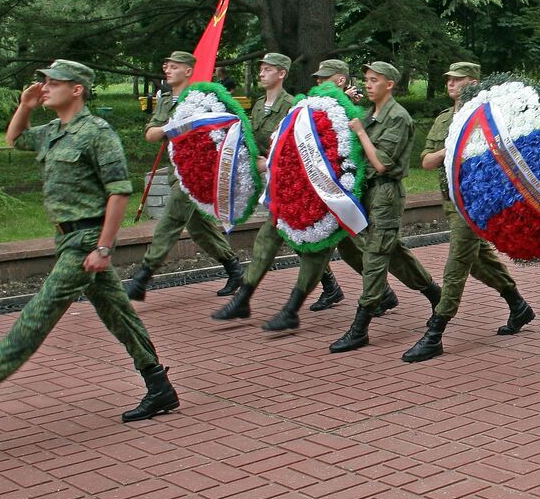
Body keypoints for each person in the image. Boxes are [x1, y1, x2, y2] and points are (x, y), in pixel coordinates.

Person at [0, 61, 177, 424]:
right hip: (67, 236)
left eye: (54, 83)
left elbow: (119, 193)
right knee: (118, 313)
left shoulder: (97, 132)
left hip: (86, 239)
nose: (45, 87)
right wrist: (25, 106)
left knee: (37, 314)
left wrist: (103, 248)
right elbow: (15, 139)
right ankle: (159, 386)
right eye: (45, 82)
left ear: (77, 89)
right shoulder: (55, 130)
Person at [401, 62, 535, 362]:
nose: (450, 84)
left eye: (458, 80)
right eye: (448, 79)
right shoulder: (445, 119)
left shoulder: (489, 119)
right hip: (452, 202)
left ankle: (435, 332)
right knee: (477, 260)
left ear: (473, 83)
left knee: (456, 266)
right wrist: (447, 151)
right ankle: (518, 305)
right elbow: (425, 162)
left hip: (477, 204)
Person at [211, 52, 344, 321]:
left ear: (281, 74)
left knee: (346, 249)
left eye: (268, 69)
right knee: (279, 238)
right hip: (276, 183)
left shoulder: (293, 105)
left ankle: (378, 289)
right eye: (260, 69)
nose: (261, 73)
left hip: (298, 184)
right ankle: (246, 299)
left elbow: (296, 146)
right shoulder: (260, 104)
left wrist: (270, 162)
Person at [324, 60, 442, 352]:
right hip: (367, 193)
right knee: (395, 253)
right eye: (366, 79)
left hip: (386, 194)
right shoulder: (367, 114)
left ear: (389, 84)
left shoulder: (397, 117)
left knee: (376, 255)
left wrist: (361, 133)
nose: (367, 83)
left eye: (374, 79)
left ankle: (360, 326)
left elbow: (381, 163)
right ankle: (436, 296)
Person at [121, 49, 244, 300]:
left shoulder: (202, 98)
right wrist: (171, 126)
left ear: (188, 71)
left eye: (174, 67)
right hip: (177, 171)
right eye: (166, 66)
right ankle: (234, 268)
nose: (167, 70)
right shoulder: (166, 100)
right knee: (198, 227)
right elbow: (150, 134)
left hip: (198, 172)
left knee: (171, 220)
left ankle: (142, 277)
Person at [256, 58, 361, 330]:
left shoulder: (350, 110)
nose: (318, 82)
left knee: (356, 252)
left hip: (343, 194)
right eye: (317, 78)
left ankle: (292, 309)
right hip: (317, 191)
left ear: (340, 80)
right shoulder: (309, 108)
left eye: (324, 78)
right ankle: (379, 293)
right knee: (347, 251)